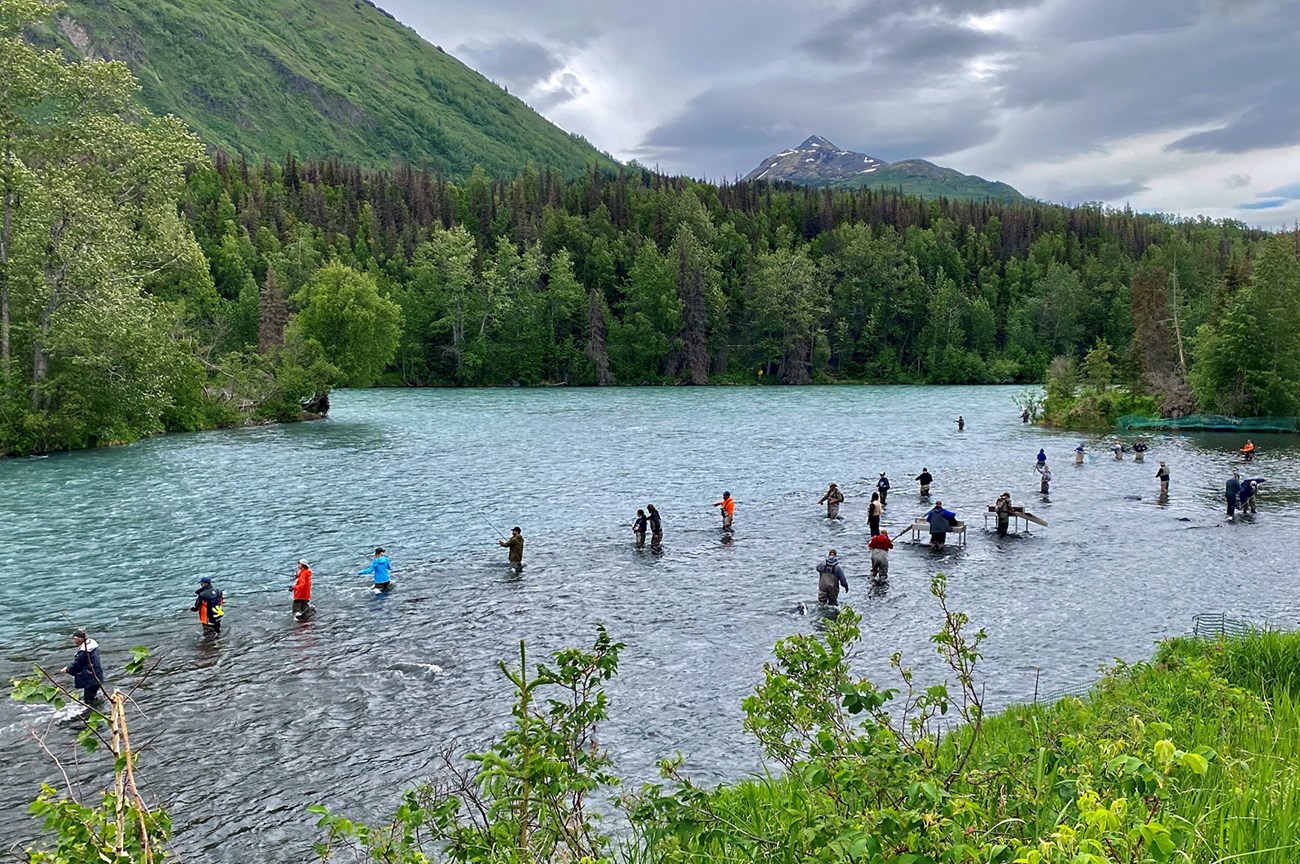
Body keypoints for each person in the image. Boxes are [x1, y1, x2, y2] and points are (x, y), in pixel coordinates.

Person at [61, 628, 105, 711]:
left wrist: (67, 669)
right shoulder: (92, 646)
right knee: (92, 696)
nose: (73, 641)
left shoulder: (84, 651)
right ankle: (98, 707)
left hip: (91, 679)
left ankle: (92, 714)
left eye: (74, 639)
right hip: (97, 676)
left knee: (88, 702)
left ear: (80, 639)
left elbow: (77, 665)